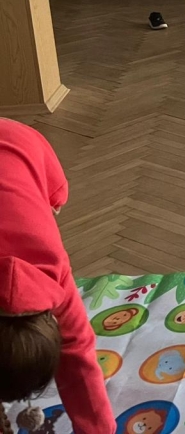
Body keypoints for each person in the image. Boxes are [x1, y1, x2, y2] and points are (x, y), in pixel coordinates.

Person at [0, 118, 115, 434]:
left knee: (53, 202)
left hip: (22, 142)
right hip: (15, 146)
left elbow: (78, 354)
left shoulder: (53, 271)